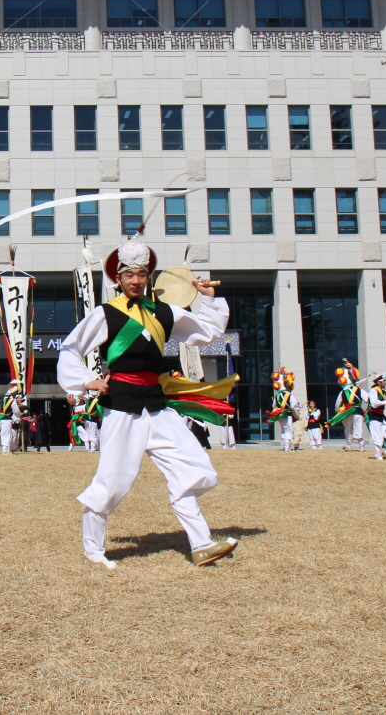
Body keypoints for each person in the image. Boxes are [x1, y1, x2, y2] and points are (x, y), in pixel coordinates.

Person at [59, 238, 239, 569]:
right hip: (122, 405)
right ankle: (94, 551)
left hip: (157, 405)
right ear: (118, 278)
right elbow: (71, 348)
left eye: (141, 274)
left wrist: (211, 300)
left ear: (149, 277)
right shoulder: (105, 314)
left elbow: (207, 332)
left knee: (190, 467)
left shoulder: (165, 312)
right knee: (114, 479)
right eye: (129, 275)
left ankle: (201, 545)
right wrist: (86, 381)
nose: (136, 281)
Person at [332, 361, 366, 452]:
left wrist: (339, 411)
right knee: (358, 428)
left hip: (347, 412)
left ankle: (349, 445)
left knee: (348, 429)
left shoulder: (342, 392)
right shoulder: (359, 390)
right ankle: (361, 447)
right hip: (358, 411)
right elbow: (368, 400)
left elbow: (337, 405)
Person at [366, 373, 386, 460]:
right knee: (378, 437)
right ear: (379, 382)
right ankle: (378, 455)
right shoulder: (373, 390)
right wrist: (385, 402)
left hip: (381, 416)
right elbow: (374, 403)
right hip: (373, 416)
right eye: (384, 381)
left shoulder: (384, 392)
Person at [268, 368, 300, 451]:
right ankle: (287, 447)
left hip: (279, 415)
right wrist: (300, 407)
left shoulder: (277, 396)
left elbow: (274, 406)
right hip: (287, 414)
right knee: (289, 430)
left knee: (283, 430)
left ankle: (285, 446)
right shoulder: (290, 395)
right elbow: (294, 405)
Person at [0, 380, 25, 455]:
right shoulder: (12, 401)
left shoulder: (4, 400)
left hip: (2, 420)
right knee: (8, 435)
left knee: (3, 434)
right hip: (7, 420)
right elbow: (16, 411)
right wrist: (21, 414)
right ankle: (6, 451)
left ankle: (5, 450)